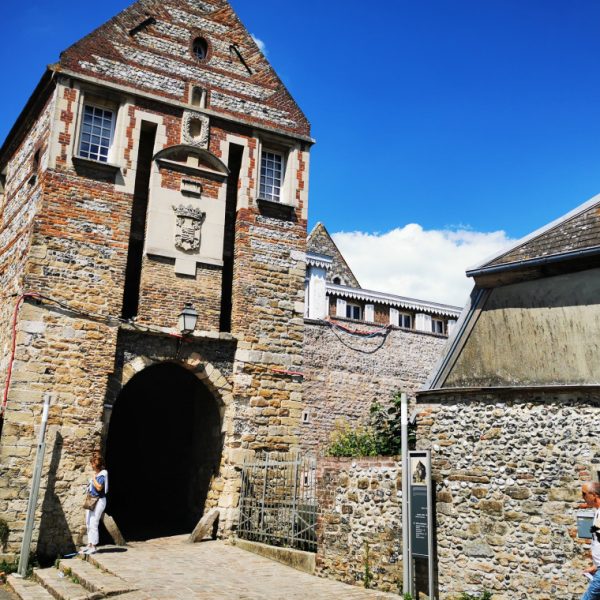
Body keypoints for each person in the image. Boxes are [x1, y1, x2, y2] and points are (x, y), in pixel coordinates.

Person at [81, 452, 108, 555]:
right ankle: (89, 544)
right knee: (88, 522)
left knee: (94, 522)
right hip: (91, 499)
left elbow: (99, 487)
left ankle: (94, 546)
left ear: (97, 464)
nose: (91, 465)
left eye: (93, 463)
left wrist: (93, 479)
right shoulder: (96, 474)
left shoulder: (103, 473)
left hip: (99, 500)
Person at [581, 482, 600, 600]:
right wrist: (596, 566)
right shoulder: (597, 511)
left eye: (584, 494)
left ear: (593, 495)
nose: (582, 497)